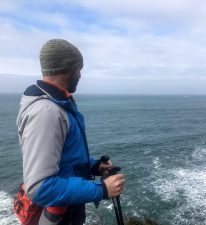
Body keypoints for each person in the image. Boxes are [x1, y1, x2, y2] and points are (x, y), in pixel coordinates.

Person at [16, 39, 125, 225]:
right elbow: (40, 187)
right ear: (69, 68)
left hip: (67, 210)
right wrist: (102, 190)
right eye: (79, 68)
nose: (80, 75)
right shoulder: (46, 112)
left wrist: (94, 166)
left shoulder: (59, 104)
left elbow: (65, 159)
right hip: (58, 217)